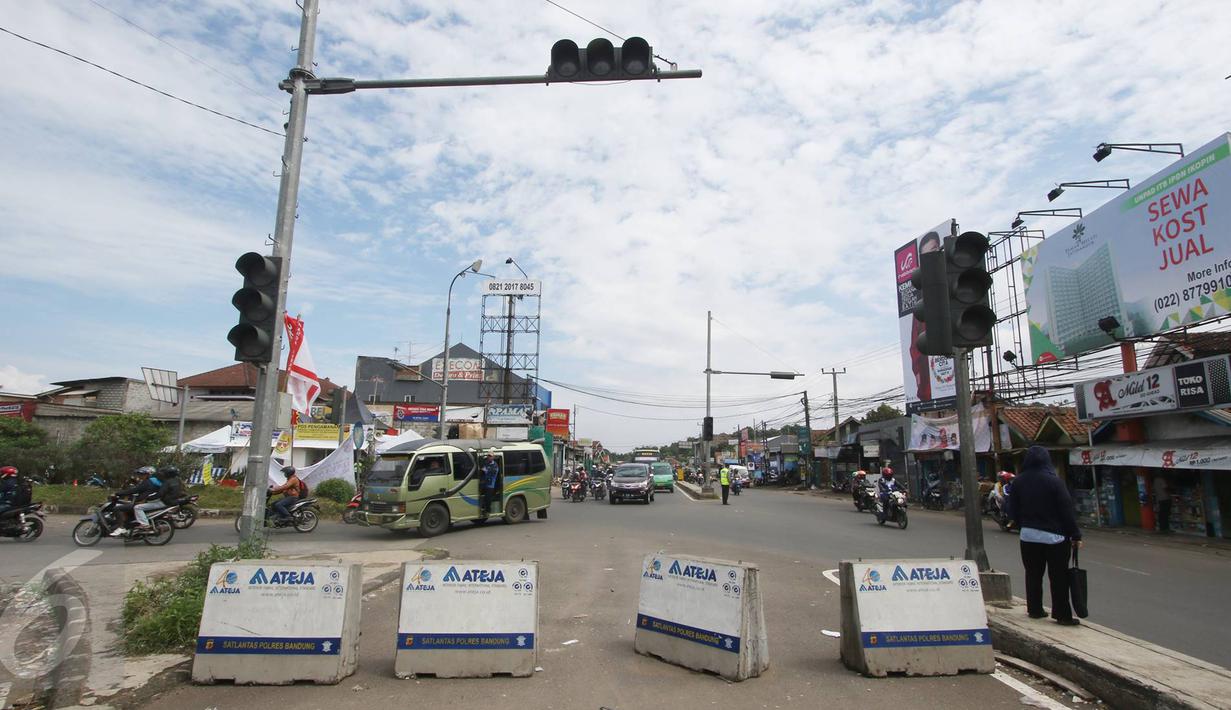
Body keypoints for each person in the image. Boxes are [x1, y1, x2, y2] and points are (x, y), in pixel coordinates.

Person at [1005, 445, 1082, 626]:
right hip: (1054, 537)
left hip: (1028, 536)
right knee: (1058, 577)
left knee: (1033, 574)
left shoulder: (1019, 482)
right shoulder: (1054, 481)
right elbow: (1066, 510)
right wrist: (1075, 534)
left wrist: (1021, 523)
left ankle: (1035, 610)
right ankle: (1062, 615)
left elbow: (1011, 510)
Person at [112, 466, 161, 536]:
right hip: (146, 502)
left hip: (142, 503)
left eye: (141, 474)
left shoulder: (147, 482)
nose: (139, 475)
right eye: (139, 474)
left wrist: (118, 493)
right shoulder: (152, 482)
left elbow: (134, 490)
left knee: (117, 509)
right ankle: (129, 528)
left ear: (147, 475)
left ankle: (121, 528)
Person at [133, 465, 183, 531]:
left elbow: (160, 494)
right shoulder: (177, 481)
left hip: (165, 502)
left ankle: (144, 524)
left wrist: (147, 499)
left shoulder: (167, 482)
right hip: (174, 501)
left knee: (137, 507)